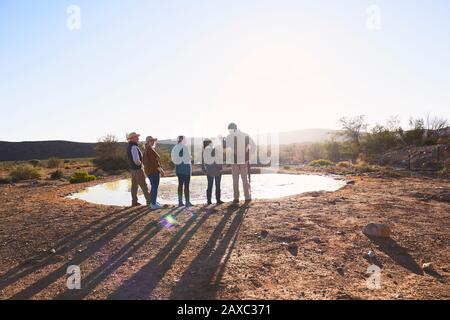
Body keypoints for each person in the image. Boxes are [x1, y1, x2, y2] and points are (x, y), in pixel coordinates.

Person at [224, 123, 256, 204]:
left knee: (236, 180)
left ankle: (236, 198)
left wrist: (223, 141)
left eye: (229, 130)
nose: (229, 131)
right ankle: (247, 197)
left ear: (233, 129)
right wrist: (249, 155)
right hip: (242, 160)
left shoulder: (229, 136)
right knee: (244, 179)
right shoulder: (244, 135)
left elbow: (224, 146)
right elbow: (253, 146)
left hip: (236, 161)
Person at [126, 132, 151, 207]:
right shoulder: (134, 147)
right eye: (136, 137)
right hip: (137, 169)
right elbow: (136, 160)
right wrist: (141, 165)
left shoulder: (130, 146)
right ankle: (149, 201)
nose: (138, 138)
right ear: (132, 138)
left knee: (134, 186)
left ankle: (134, 202)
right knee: (144, 185)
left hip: (133, 170)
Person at [143, 136, 165, 210]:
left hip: (149, 171)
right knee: (155, 187)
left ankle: (153, 202)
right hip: (153, 171)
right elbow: (154, 162)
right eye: (151, 141)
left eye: (153, 141)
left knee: (153, 187)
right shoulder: (150, 149)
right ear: (148, 142)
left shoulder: (146, 149)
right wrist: (160, 170)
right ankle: (153, 204)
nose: (153, 142)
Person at [171, 135, 193, 207]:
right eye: (185, 139)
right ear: (183, 140)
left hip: (178, 169)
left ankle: (180, 202)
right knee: (186, 186)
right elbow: (187, 158)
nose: (186, 140)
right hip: (185, 169)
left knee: (180, 185)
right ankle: (187, 202)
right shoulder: (184, 147)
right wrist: (190, 157)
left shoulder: (175, 148)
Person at [202, 139, 224, 205]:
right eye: (211, 143)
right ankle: (218, 200)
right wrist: (221, 168)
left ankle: (209, 201)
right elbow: (219, 159)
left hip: (209, 171)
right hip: (216, 170)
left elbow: (202, 163)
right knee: (217, 185)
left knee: (209, 185)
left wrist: (204, 170)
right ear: (209, 143)